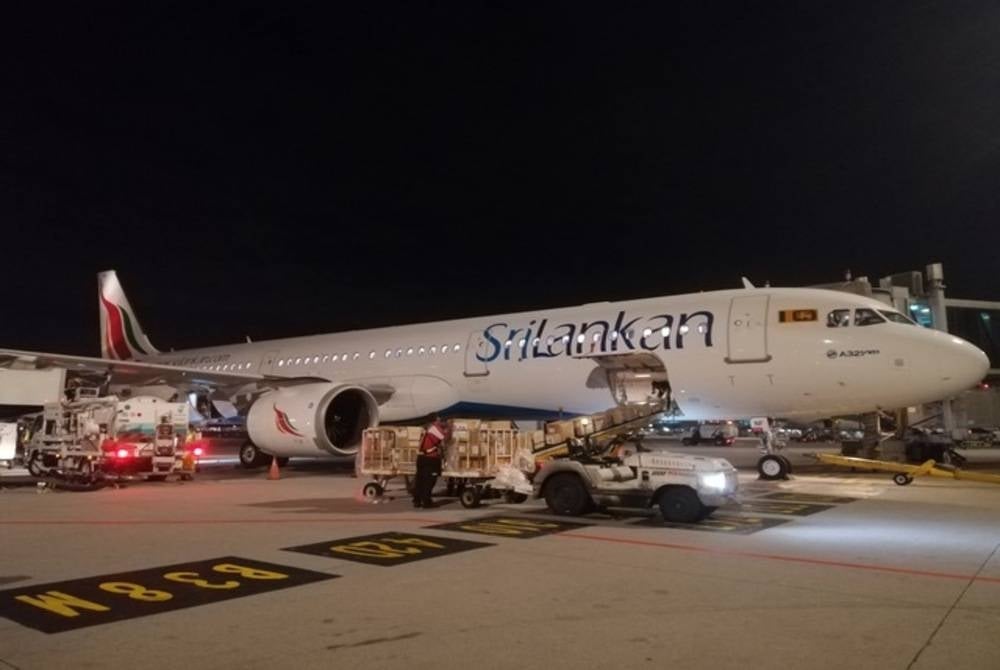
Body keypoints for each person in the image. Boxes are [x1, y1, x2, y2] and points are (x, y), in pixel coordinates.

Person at [413, 414, 450, 508]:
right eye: (439, 419)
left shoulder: (426, 428)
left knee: (420, 480)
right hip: (430, 458)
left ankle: (417, 500)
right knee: (429, 481)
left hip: (421, 457)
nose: (441, 421)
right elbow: (446, 439)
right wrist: (449, 429)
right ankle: (426, 502)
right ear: (436, 420)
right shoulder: (435, 428)